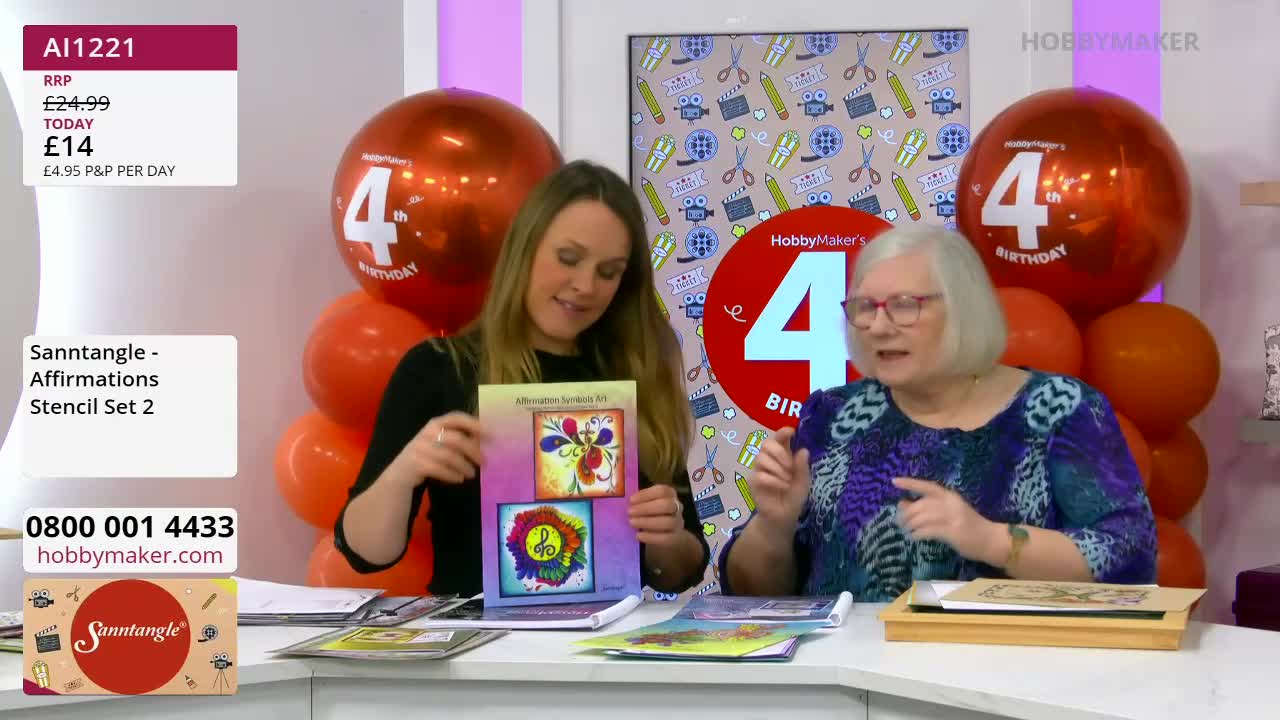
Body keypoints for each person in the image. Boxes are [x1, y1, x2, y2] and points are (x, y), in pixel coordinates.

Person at [720, 225, 1157, 601]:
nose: (878, 325)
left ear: (964, 309)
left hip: (1008, 682)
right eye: (865, 307)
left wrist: (992, 541)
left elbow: (1129, 559)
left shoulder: (1059, 410)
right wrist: (773, 529)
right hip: (847, 686)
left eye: (904, 305)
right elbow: (755, 599)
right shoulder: (833, 416)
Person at [335, 160, 710, 596]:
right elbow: (364, 553)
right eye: (568, 259)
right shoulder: (439, 368)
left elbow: (683, 570)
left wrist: (667, 537)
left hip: (602, 650)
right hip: (480, 653)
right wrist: (403, 472)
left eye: (609, 272)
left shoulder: (634, 373)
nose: (585, 285)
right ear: (524, 250)